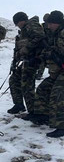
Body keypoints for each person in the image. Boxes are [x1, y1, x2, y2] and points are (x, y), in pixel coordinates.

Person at [26, 10, 64, 138]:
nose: (48, 26)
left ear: (57, 23)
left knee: (57, 93)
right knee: (43, 88)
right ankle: (43, 115)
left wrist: (58, 57)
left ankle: (61, 126)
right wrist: (38, 59)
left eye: (51, 23)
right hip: (58, 71)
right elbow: (50, 50)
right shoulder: (55, 34)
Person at [8, 12, 45, 115]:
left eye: (17, 23)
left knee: (27, 85)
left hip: (32, 60)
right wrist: (14, 61)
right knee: (14, 80)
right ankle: (19, 104)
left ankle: (33, 111)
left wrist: (26, 48)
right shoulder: (23, 32)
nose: (17, 26)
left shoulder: (31, 25)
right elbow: (18, 48)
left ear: (21, 20)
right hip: (23, 61)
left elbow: (40, 37)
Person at [36, 13, 50, 80]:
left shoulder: (50, 27)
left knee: (43, 60)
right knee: (41, 59)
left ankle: (39, 74)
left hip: (48, 45)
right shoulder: (42, 26)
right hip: (42, 45)